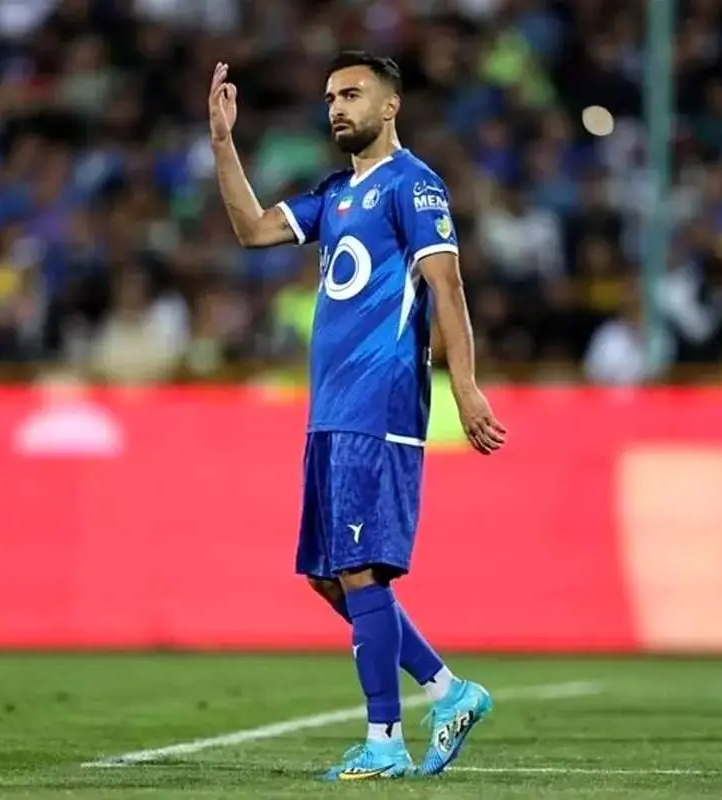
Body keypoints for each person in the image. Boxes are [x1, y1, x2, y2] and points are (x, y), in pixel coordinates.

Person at [208, 51, 507, 780]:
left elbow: (448, 287)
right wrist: (221, 141)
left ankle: (384, 740)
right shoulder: (336, 193)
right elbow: (252, 229)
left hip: (380, 405)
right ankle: (448, 691)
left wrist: (465, 386)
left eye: (352, 94)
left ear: (390, 105)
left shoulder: (414, 185)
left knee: (360, 568)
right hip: (331, 412)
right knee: (329, 576)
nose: (337, 107)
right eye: (330, 97)